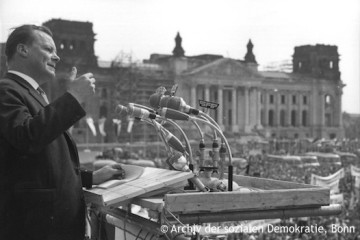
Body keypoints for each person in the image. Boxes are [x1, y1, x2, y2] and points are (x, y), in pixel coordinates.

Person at [0, 24, 125, 240]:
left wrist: (90, 177)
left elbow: (44, 162)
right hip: (34, 229)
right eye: (48, 49)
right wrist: (74, 97)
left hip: (49, 226)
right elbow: (27, 137)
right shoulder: (6, 90)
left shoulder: (33, 94)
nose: (56, 57)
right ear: (22, 50)